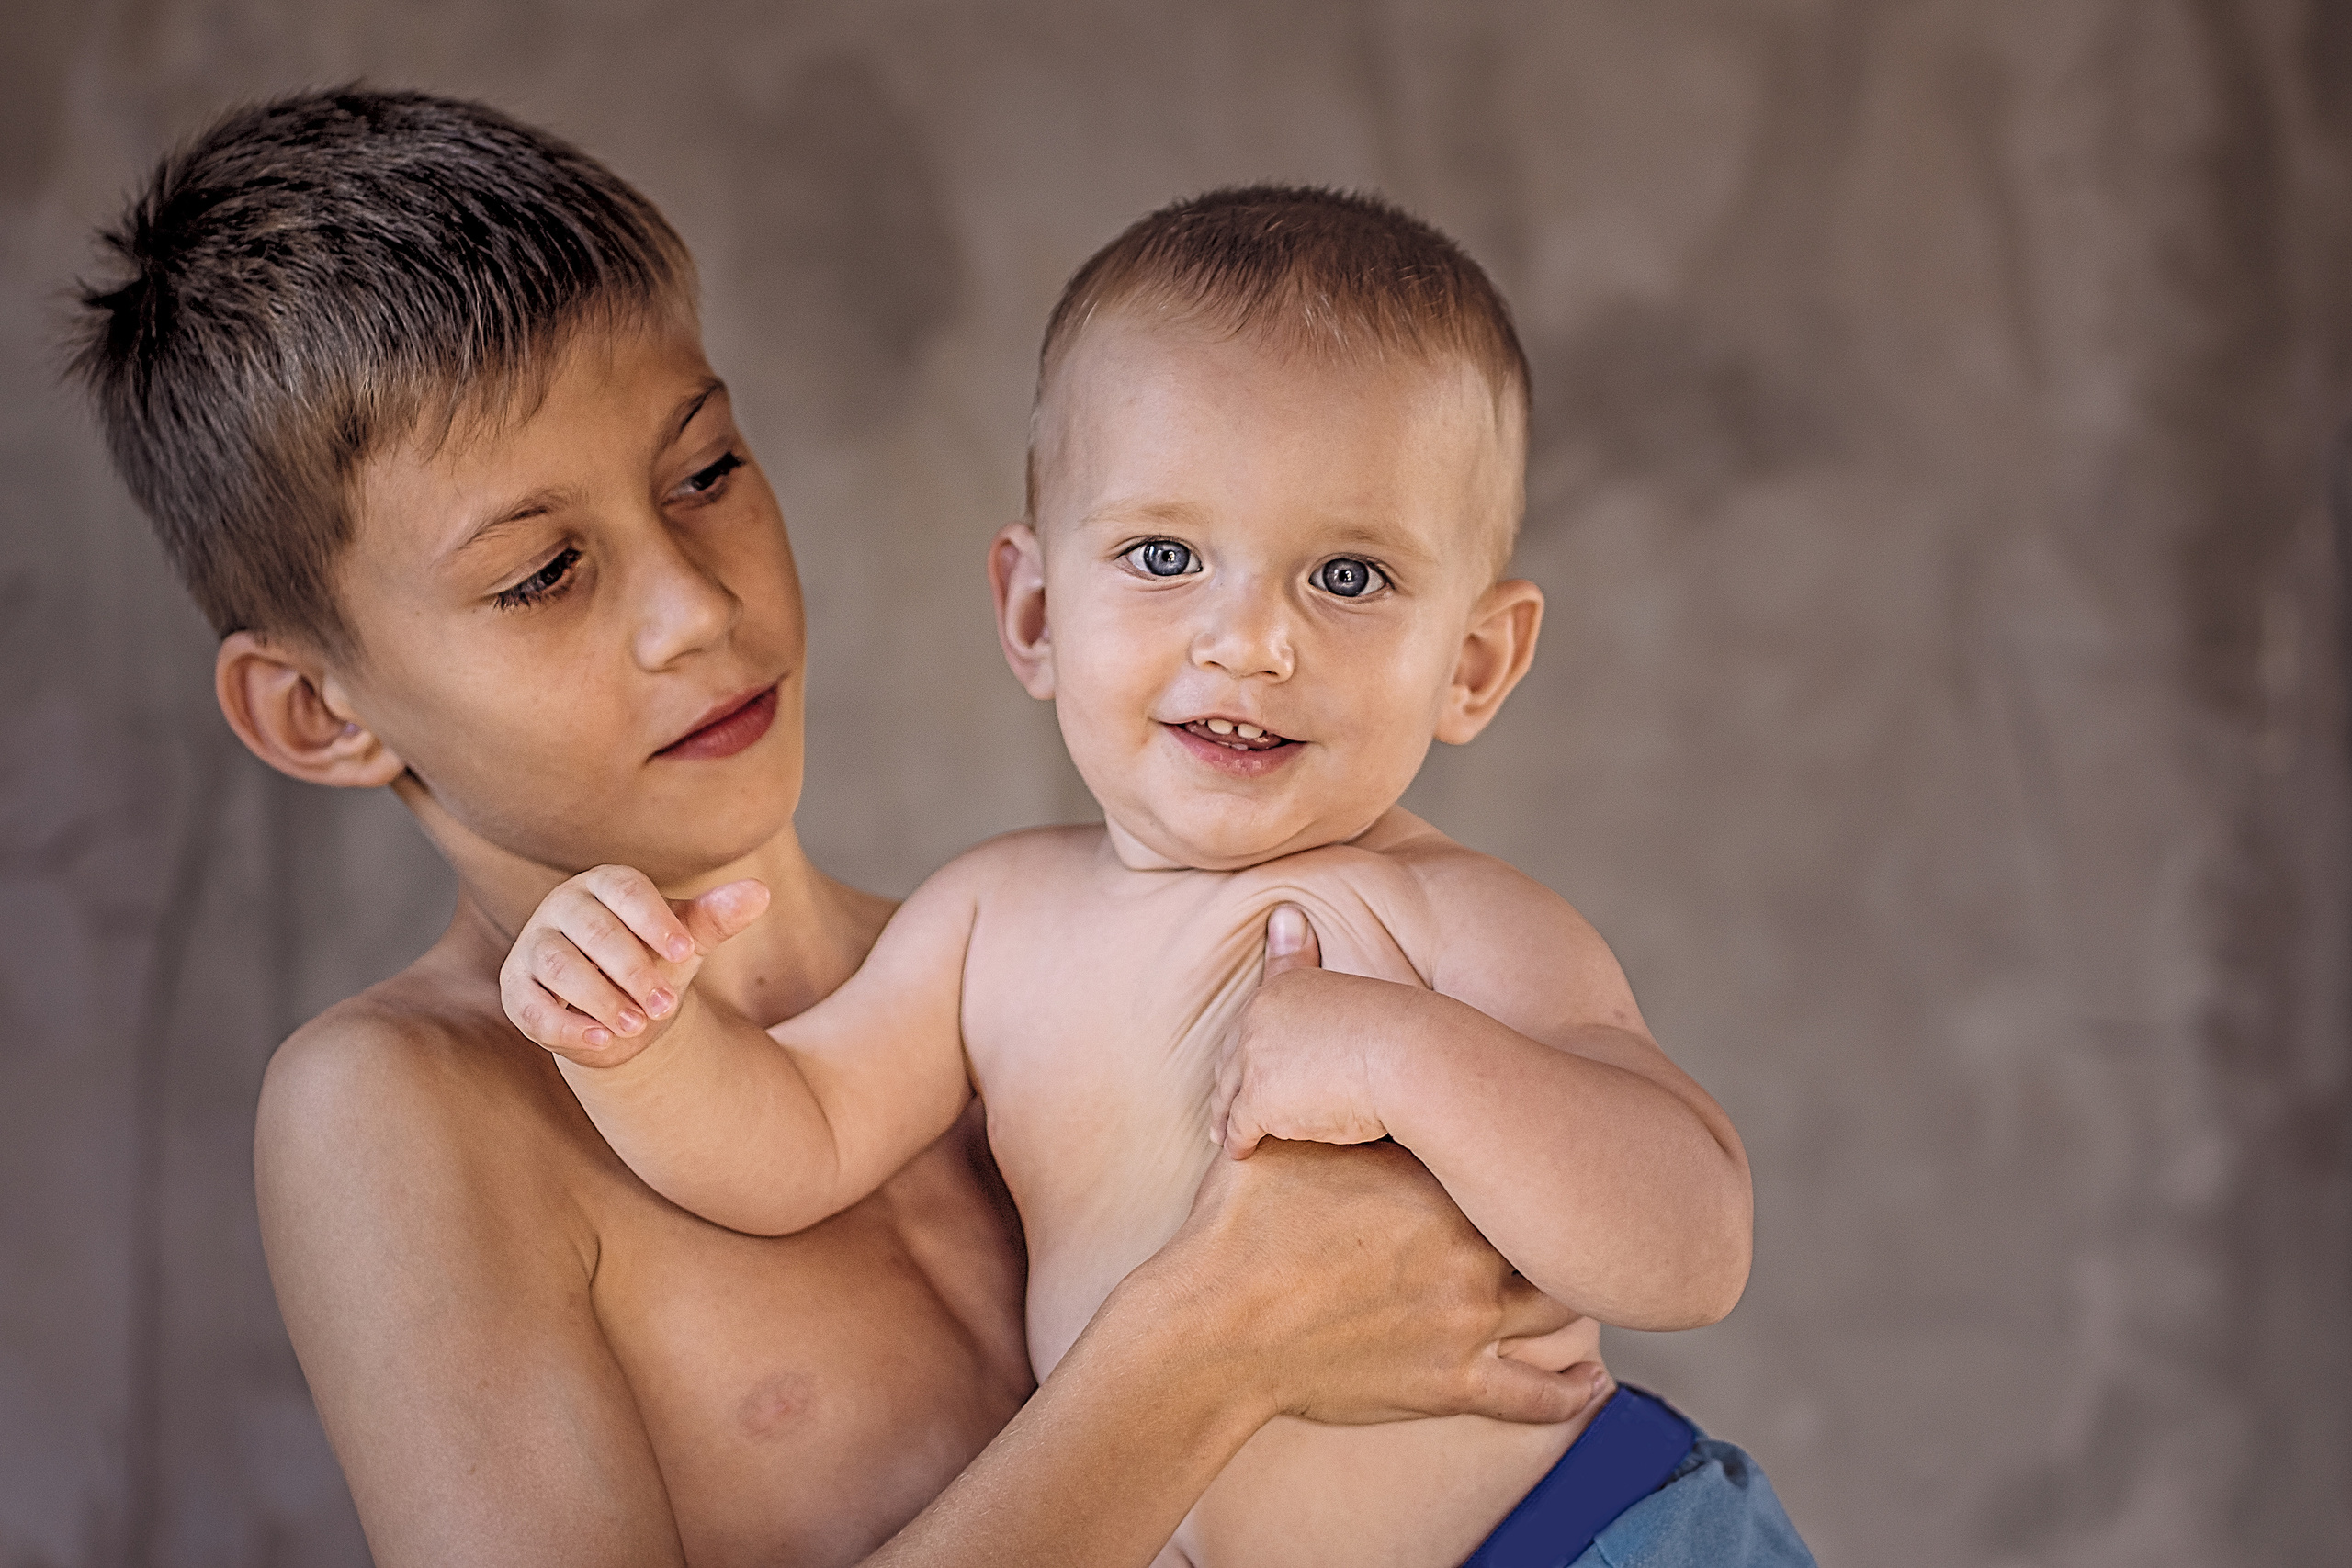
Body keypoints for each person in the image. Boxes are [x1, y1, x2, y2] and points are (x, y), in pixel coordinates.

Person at [65, 91, 1612, 1568]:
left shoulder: (1025, 967)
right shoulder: (405, 1105)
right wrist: (1207, 1352)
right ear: (318, 713)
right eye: (542, 573)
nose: (694, 606)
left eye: (707, 472)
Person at [504, 188, 1816, 1566]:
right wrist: (637, 1041)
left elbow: (1692, 1240)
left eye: (1350, 577)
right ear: (1034, 614)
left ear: (1475, 663)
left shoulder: (1452, 919)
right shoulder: (990, 922)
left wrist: (1401, 1051)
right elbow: (794, 1137)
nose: (1249, 640)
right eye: (1165, 556)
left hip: (1589, 1539)